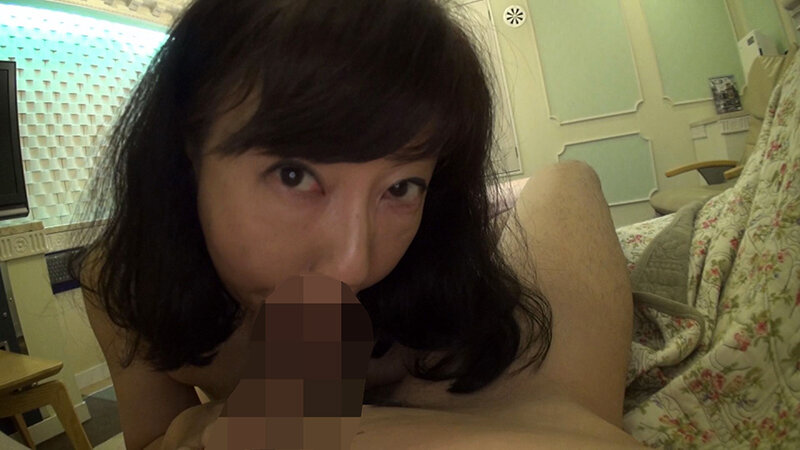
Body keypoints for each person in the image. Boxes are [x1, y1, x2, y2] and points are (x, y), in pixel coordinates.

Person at [72, 0, 644, 448]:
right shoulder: (124, 282)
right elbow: (155, 437)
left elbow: (582, 437)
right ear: (187, 152)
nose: (353, 264)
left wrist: (233, 422)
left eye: (401, 187)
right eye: (294, 175)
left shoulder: (432, 283)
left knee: (569, 180)